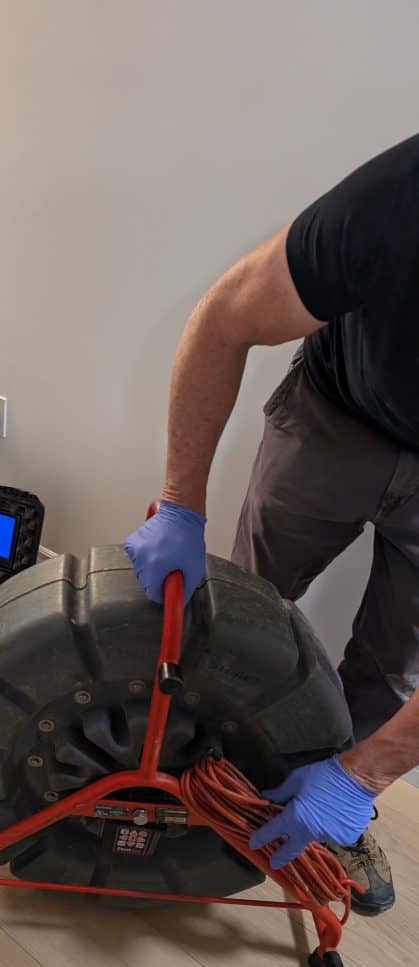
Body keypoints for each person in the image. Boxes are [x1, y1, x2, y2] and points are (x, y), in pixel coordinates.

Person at [124, 134, 419, 914]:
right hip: (336, 416)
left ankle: (333, 805)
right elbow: (225, 319)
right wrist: (180, 502)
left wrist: (366, 774)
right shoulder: (401, 199)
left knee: (394, 663)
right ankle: (195, 758)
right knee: (246, 609)